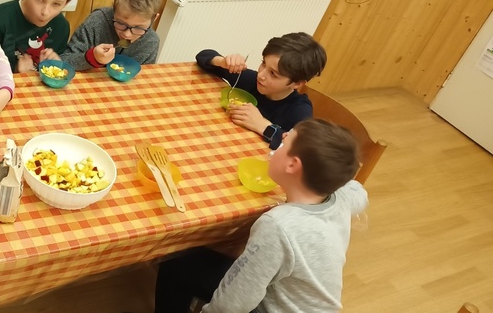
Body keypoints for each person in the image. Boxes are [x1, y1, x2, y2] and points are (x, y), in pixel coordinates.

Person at [154, 119, 367, 313]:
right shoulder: (341, 196)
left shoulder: (278, 226)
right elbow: (359, 192)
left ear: (292, 165)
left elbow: (233, 304)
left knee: (176, 267)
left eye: (283, 143)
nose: (280, 140)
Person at [196, 32, 327, 150]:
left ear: (296, 83)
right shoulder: (252, 81)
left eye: (273, 74)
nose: (261, 75)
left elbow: (303, 149)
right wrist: (222, 61)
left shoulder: (299, 109)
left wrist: (263, 126)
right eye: (263, 63)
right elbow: (203, 56)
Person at [61, 0, 162, 71]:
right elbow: (64, 61)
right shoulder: (97, 22)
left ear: (154, 18)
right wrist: (92, 57)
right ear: (114, 11)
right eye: (121, 23)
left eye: (138, 28)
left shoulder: (151, 42)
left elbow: (144, 76)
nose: (127, 34)